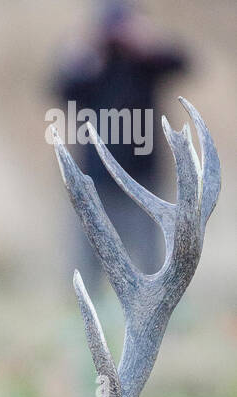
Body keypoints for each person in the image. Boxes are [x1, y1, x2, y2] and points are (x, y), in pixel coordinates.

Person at [51, 3, 189, 279]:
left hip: (142, 180)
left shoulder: (145, 62)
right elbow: (60, 89)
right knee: (88, 260)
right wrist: (81, 60)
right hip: (94, 181)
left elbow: (182, 63)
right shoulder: (91, 66)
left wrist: (148, 43)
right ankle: (85, 312)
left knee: (151, 263)